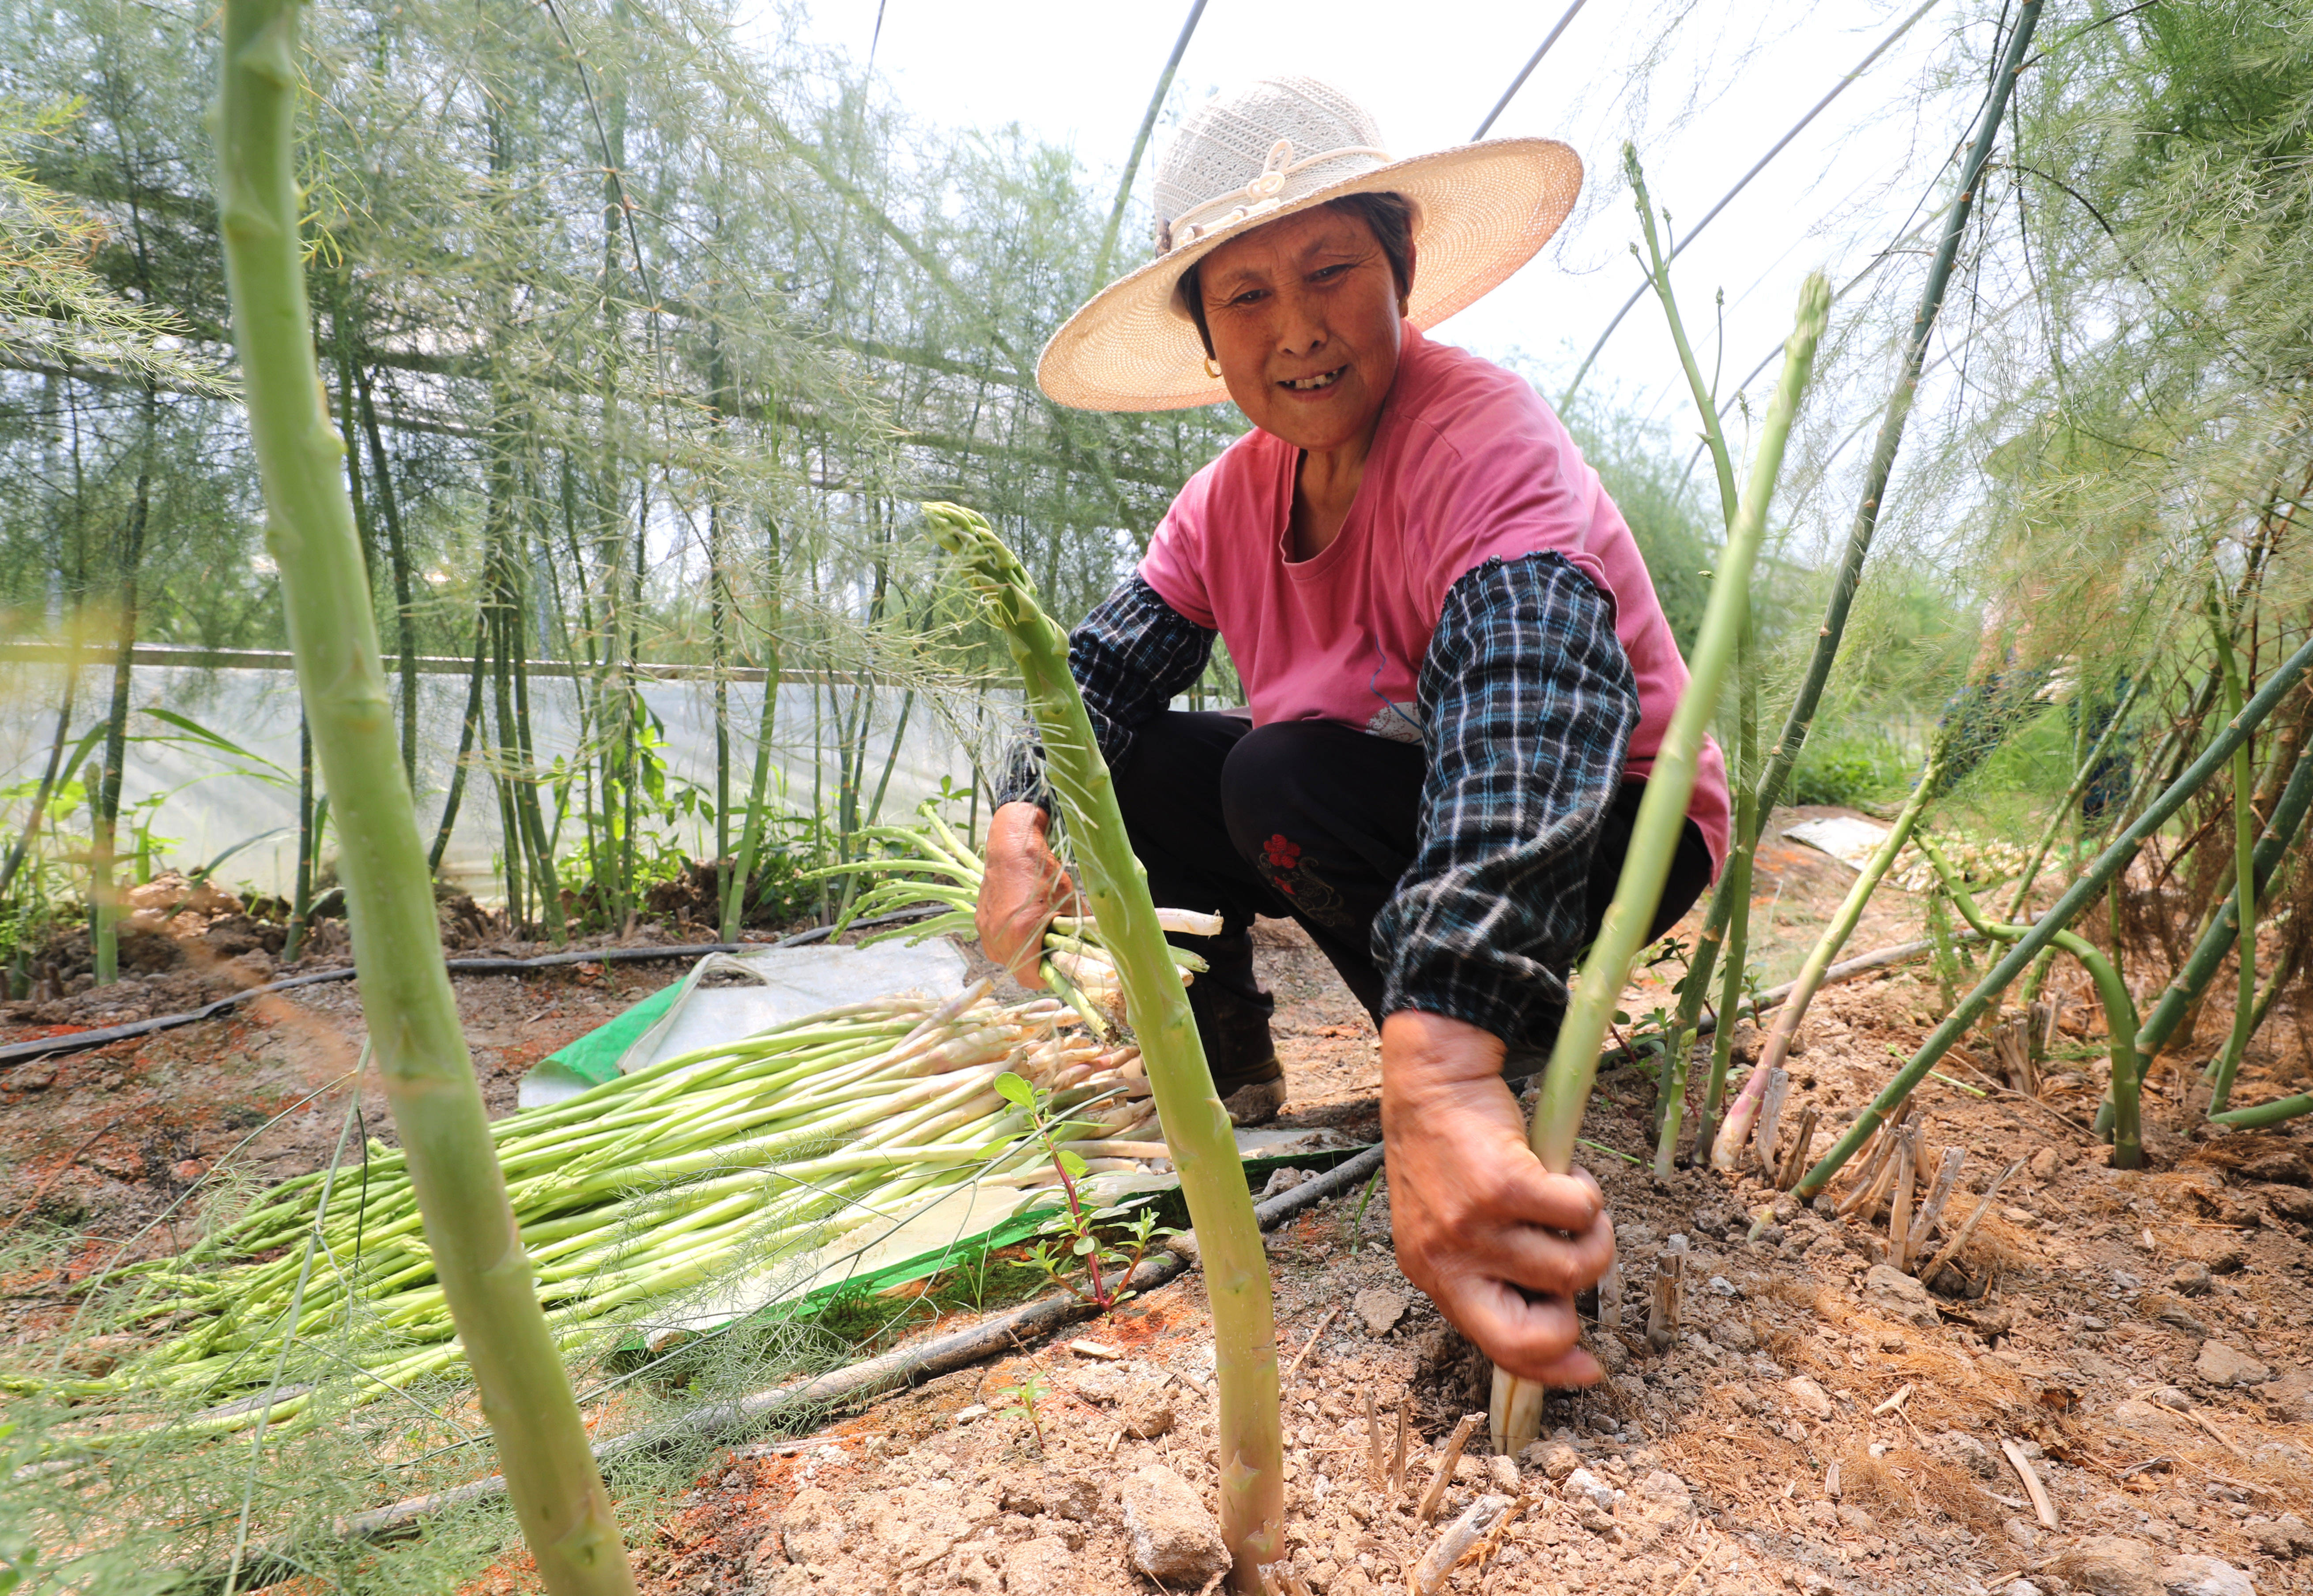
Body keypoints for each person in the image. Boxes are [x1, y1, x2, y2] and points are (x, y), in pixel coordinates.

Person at [975, 77, 1727, 1388]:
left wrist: (1436, 1072)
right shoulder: (1223, 502)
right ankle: (1227, 1055)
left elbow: (1534, 706)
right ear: (1208, 342)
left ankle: (1485, 1054)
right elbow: (1096, 673)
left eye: (1332, 271)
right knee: (1141, 770)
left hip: (1607, 827)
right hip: (1385, 803)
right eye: (1247, 297)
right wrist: (1021, 813)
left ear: (1402, 271)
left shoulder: (1481, 435)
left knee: (1285, 776)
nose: (1300, 328)